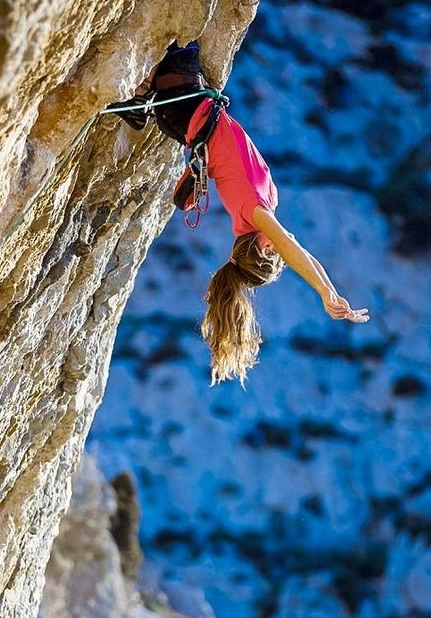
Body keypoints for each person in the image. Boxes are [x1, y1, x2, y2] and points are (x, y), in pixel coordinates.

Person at [108, 41, 369, 385]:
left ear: (261, 247)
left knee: (186, 31)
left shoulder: (252, 212)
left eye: (274, 249)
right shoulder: (262, 210)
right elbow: (298, 249)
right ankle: (142, 103)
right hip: (189, 106)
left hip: (185, 104)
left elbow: (291, 249)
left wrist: (323, 293)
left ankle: (143, 99)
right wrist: (331, 291)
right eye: (279, 250)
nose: (281, 243)